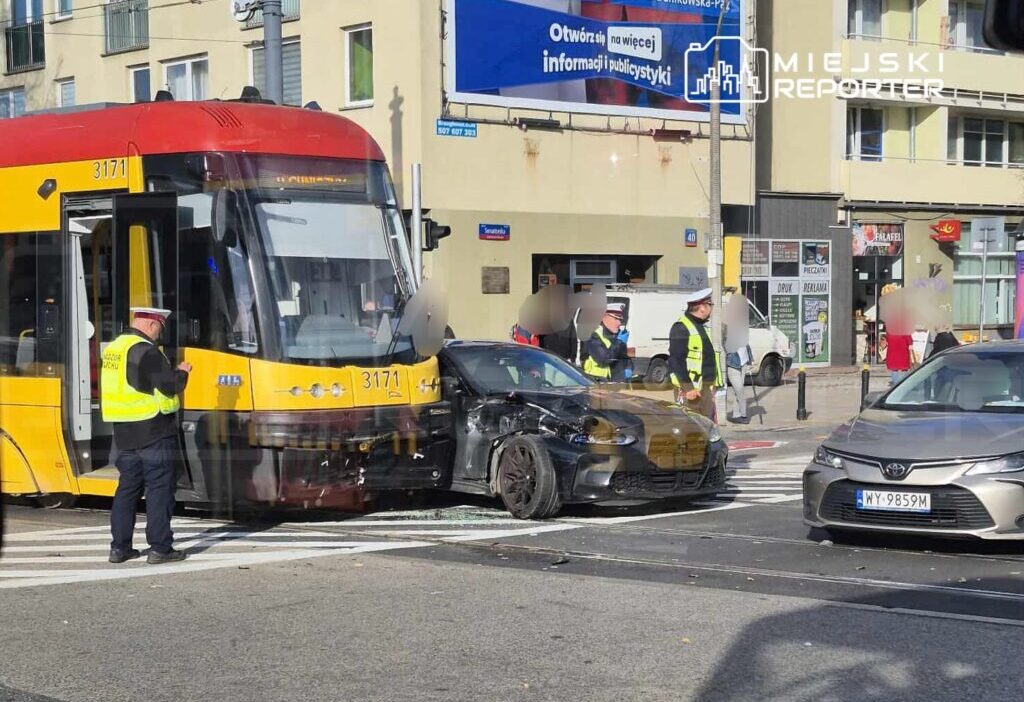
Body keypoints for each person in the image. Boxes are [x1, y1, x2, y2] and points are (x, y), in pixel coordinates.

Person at [102, 307, 191, 565]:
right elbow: (170, 385)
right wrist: (183, 371)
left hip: (124, 433)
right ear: (152, 325)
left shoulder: (114, 349)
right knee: (159, 490)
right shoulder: (146, 351)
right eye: (160, 329)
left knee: (127, 490)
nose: (159, 334)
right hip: (153, 431)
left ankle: (119, 548)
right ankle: (160, 548)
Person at [669, 288, 723, 421]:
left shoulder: (701, 326)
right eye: (710, 305)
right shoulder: (681, 327)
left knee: (707, 426)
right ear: (702, 307)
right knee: (690, 427)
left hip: (705, 388)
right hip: (691, 391)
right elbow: (676, 360)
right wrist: (688, 388)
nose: (712, 308)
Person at [723, 293, 752, 424]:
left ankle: (736, 415)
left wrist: (750, 358)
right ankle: (744, 416)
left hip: (743, 361)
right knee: (739, 390)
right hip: (733, 362)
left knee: (737, 390)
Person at [582, 303, 631, 381]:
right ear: (604, 317)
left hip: (614, 381)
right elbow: (604, 359)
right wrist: (619, 342)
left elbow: (624, 357)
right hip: (596, 381)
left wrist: (628, 367)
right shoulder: (593, 335)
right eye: (616, 319)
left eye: (620, 319)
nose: (619, 323)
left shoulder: (617, 335)